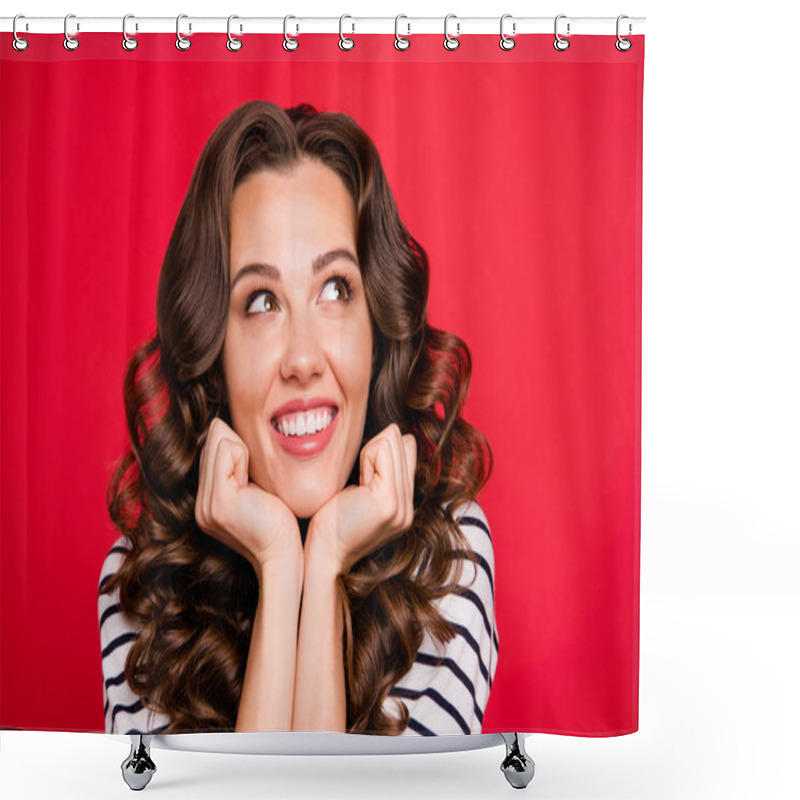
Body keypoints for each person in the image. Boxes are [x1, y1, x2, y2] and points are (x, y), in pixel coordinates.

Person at [98, 100, 497, 736]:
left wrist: (329, 556)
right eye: (261, 302)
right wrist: (282, 567)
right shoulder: (138, 586)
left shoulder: (449, 559)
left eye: (335, 290)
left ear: (376, 329)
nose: (304, 359)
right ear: (214, 353)